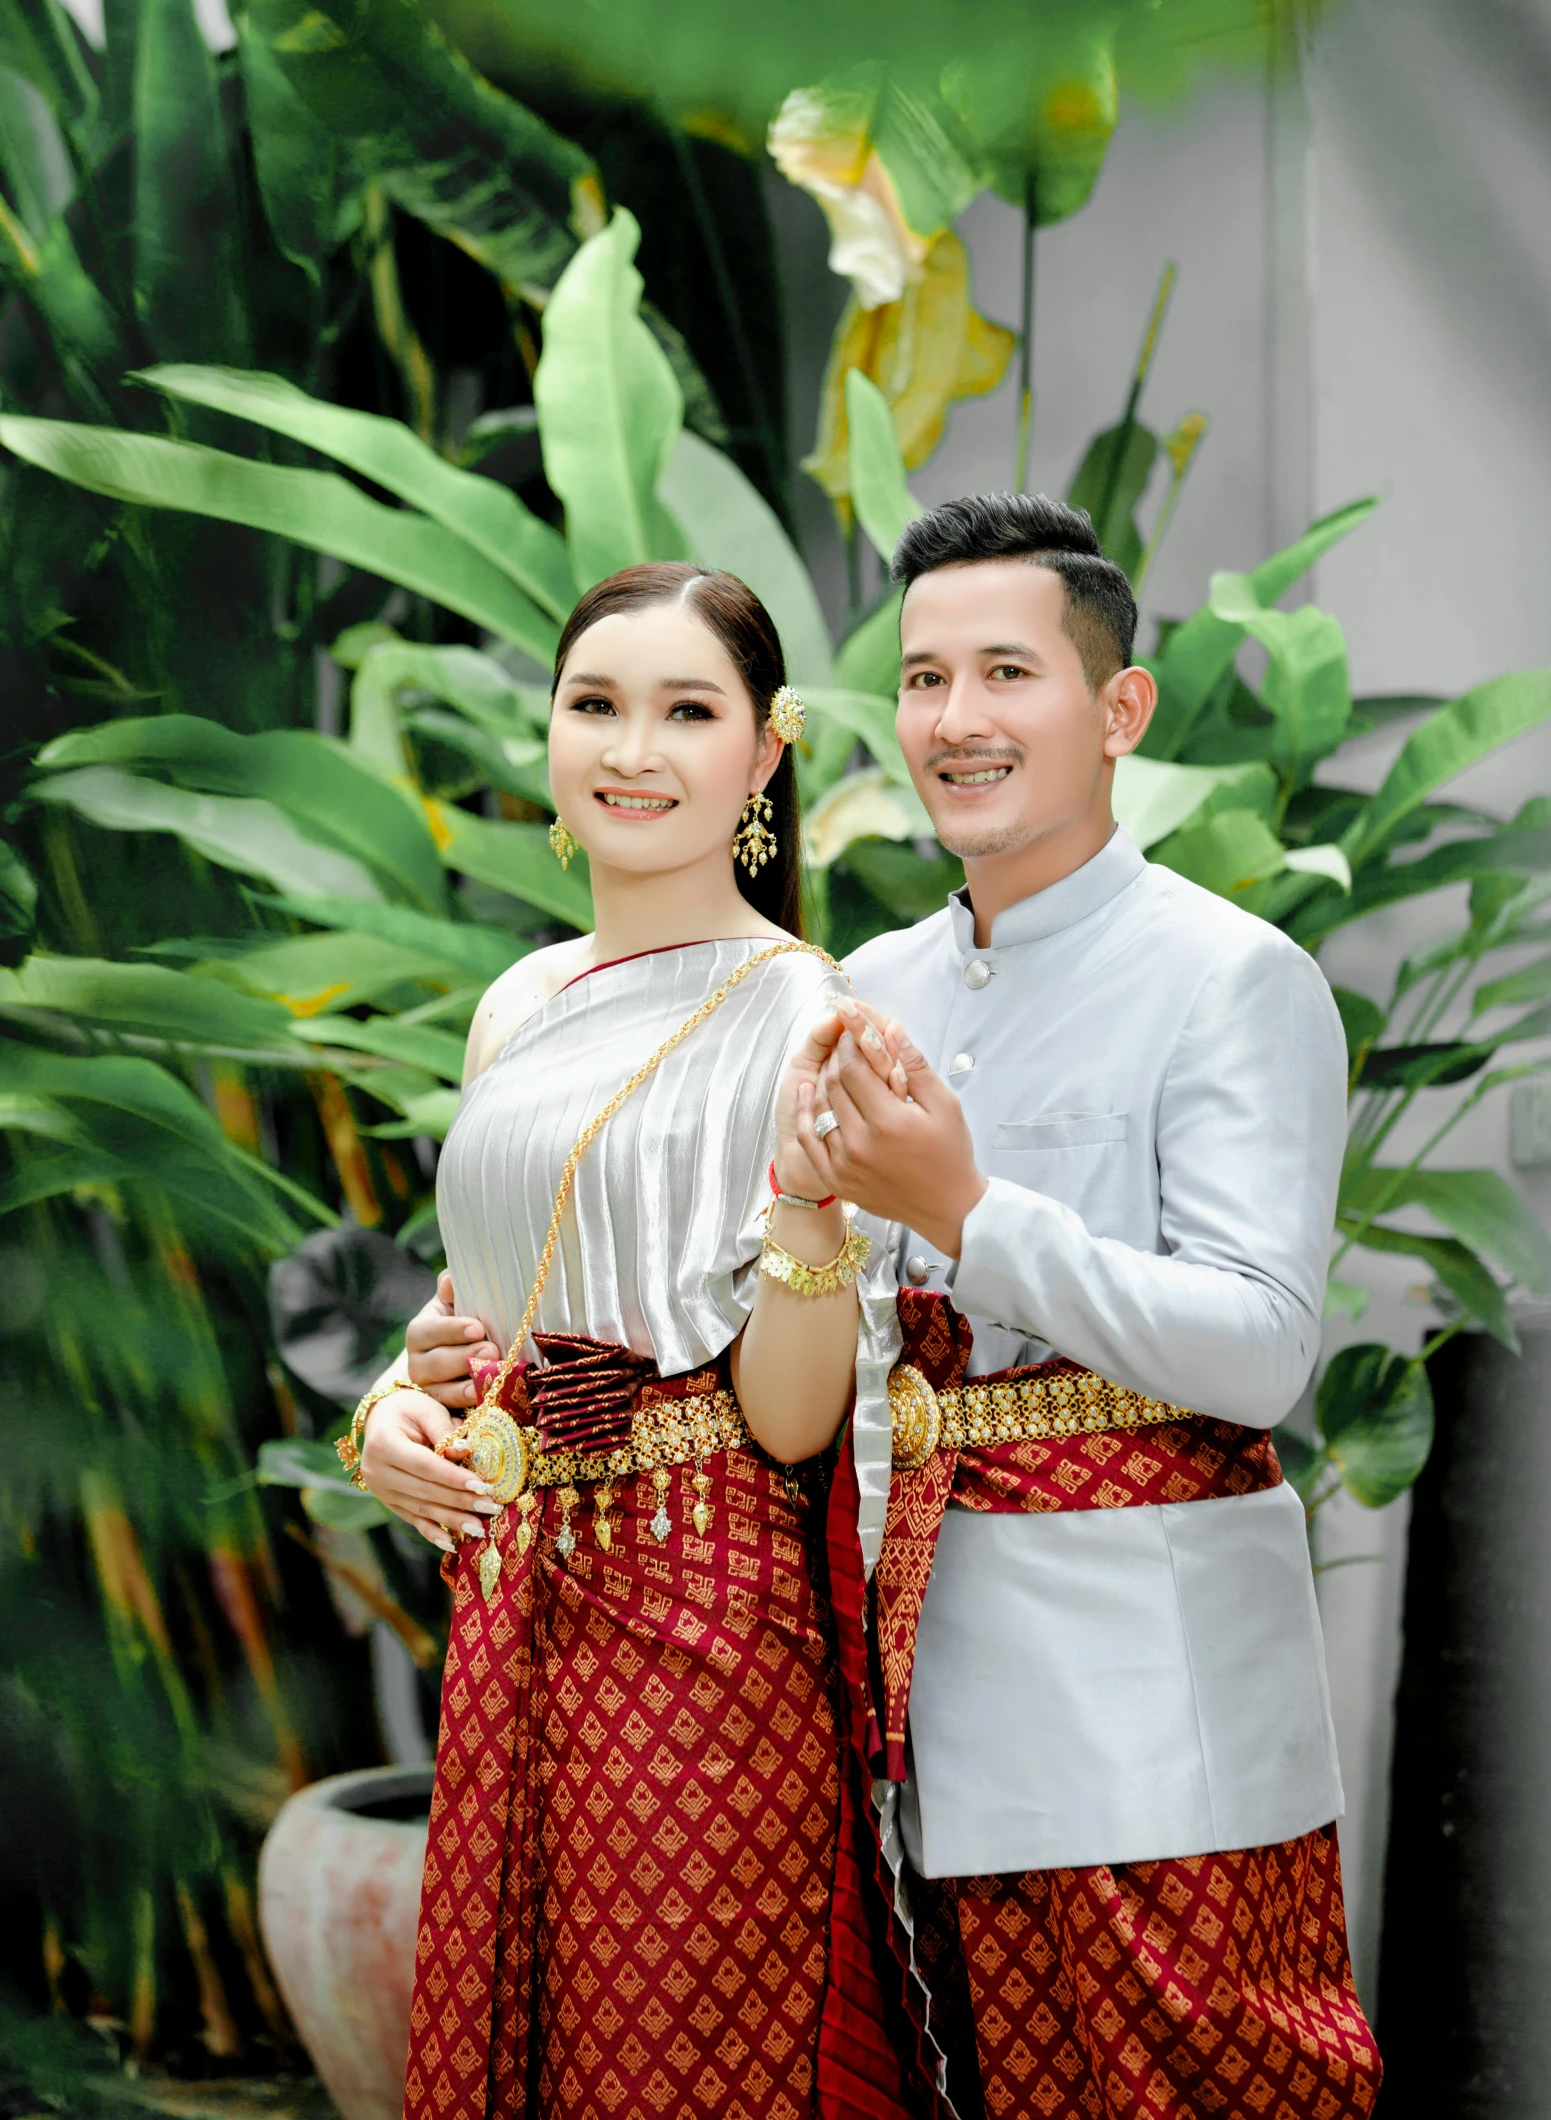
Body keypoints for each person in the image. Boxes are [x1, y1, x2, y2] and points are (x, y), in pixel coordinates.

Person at [788, 494, 1382, 2120]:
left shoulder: (1229, 975)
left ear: (1115, 709)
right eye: (921, 679)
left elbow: (1259, 1345)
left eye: (1003, 672)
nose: (954, 720)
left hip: (1149, 1718)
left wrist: (967, 1215)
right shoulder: (868, 985)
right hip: (913, 1691)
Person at [344, 564, 926, 2120]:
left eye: (687, 710)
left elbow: (796, 1428)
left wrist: (806, 1212)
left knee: (670, 2054)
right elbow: (485, 1310)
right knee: (511, 2043)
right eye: (595, 704)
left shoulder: (801, 1006)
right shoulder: (516, 1003)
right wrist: (393, 1404)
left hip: (700, 1605)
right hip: (511, 1589)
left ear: (763, 754)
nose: (632, 747)